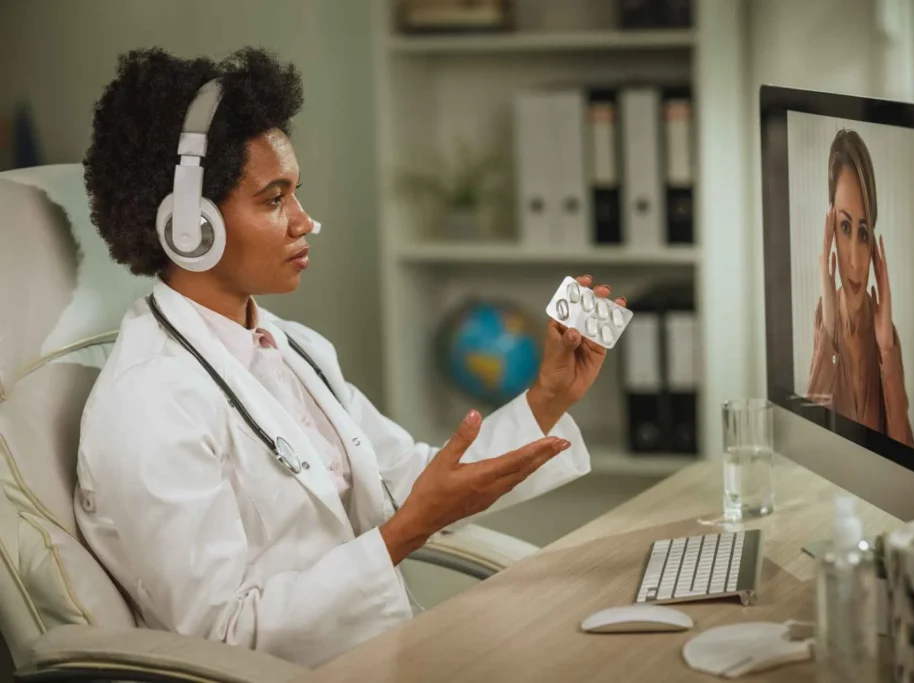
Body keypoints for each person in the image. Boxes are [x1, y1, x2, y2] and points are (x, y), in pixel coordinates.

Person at [75, 47, 622, 668]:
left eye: (297, 194)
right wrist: (404, 533)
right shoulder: (147, 404)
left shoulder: (294, 347)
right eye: (274, 199)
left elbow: (408, 481)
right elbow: (221, 638)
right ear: (188, 227)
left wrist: (548, 397)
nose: (306, 222)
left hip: (379, 655)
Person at [806, 128, 914, 448]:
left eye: (864, 233)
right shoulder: (822, 321)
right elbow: (811, 448)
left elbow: (908, 458)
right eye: (844, 227)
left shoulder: (885, 334)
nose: (854, 259)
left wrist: (886, 352)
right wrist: (827, 328)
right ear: (831, 235)